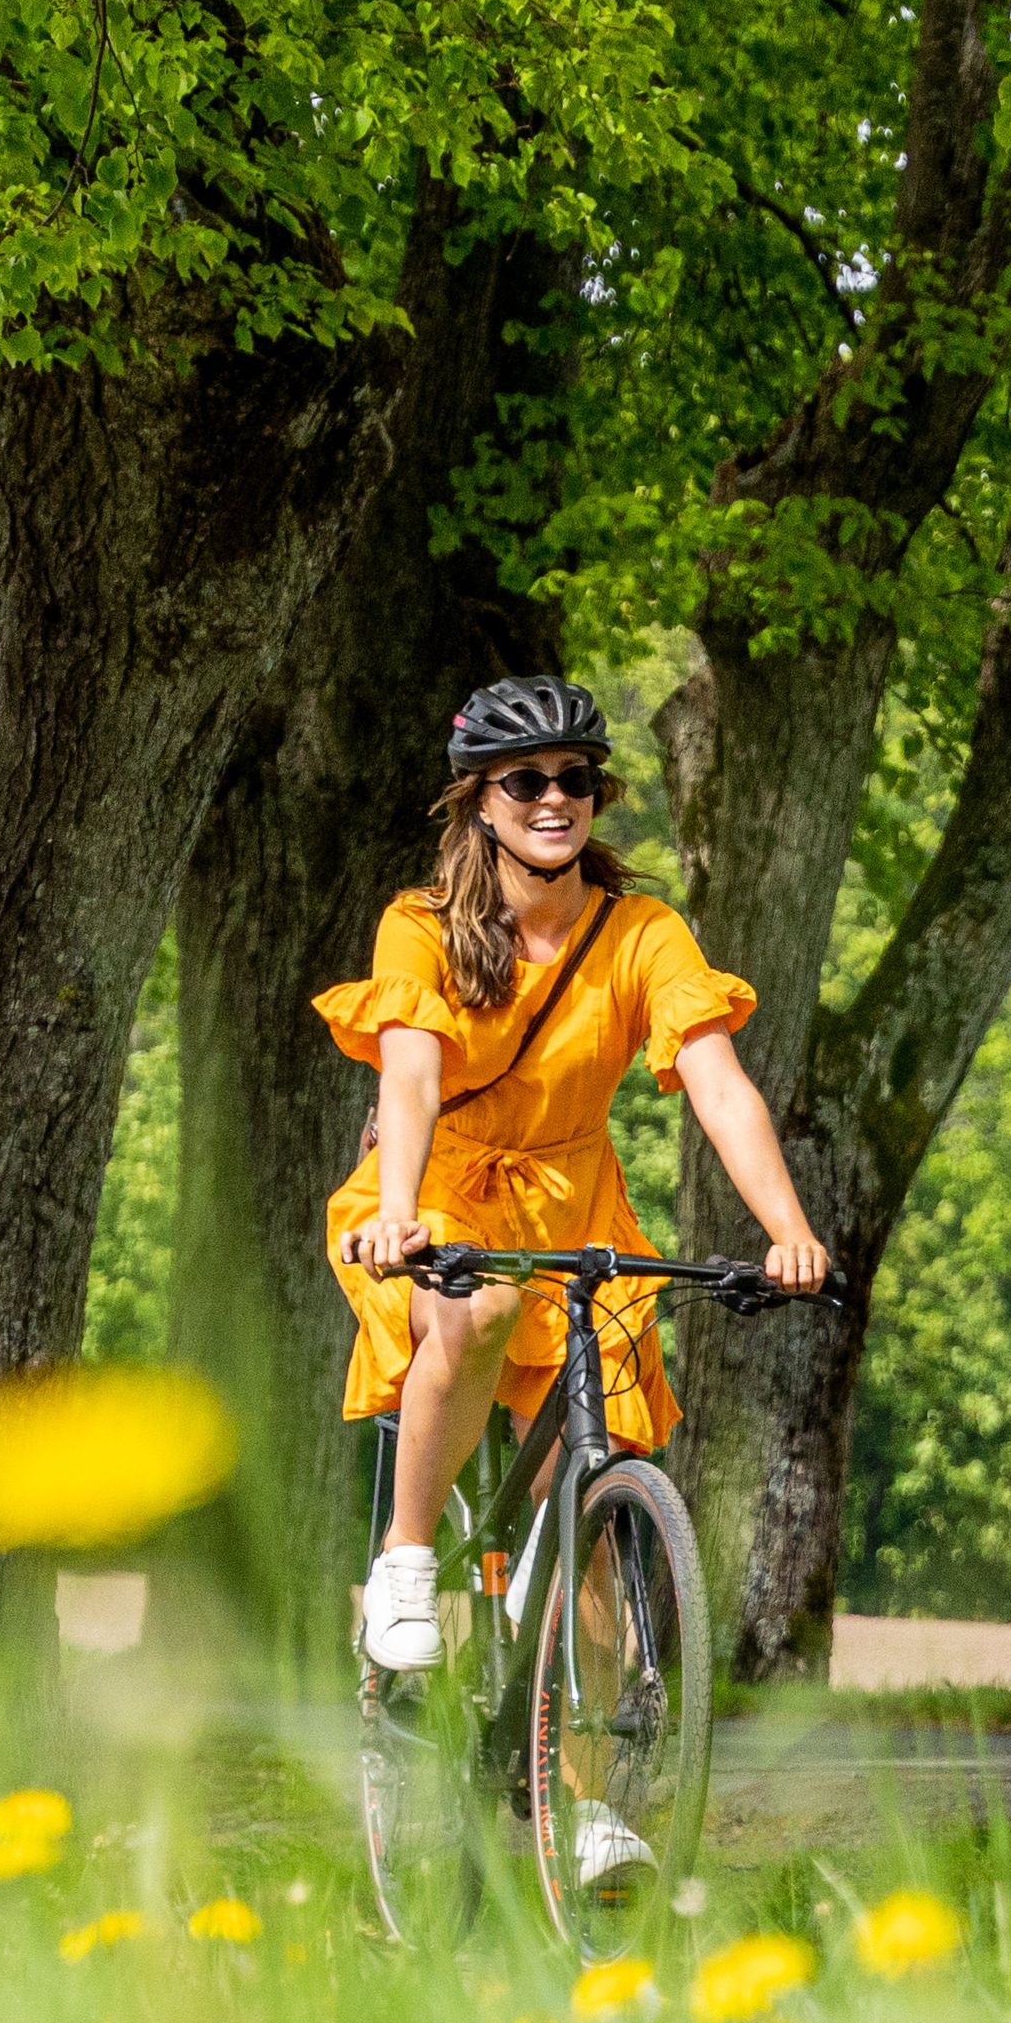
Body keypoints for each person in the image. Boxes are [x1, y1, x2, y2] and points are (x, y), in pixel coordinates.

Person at [325, 676, 836, 1677]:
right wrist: (397, 1217)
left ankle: (591, 1808)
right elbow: (413, 1075)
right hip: (434, 1184)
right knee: (477, 1312)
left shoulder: (640, 933)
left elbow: (718, 1086)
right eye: (524, 781)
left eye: (576, 778)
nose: (553, 798)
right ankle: (406, 1558)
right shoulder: (417, 928)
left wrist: (788, 1229)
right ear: (479, 799)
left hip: (574, 1197)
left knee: (594, 1510)